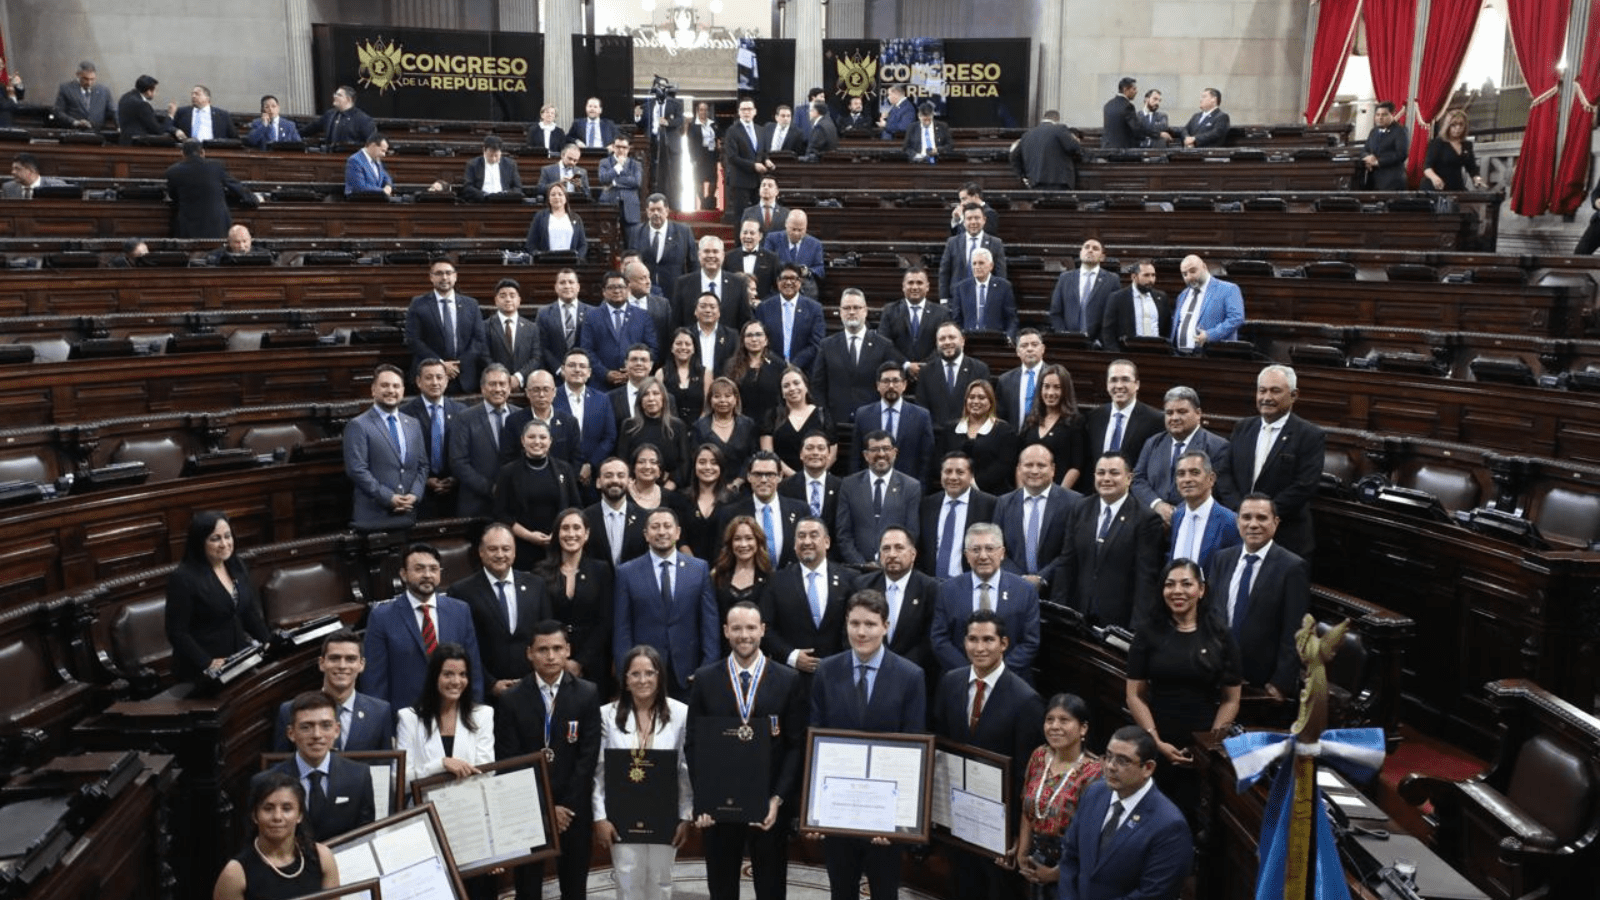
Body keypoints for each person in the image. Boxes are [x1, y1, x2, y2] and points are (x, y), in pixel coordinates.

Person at [808, 590, 926, 900]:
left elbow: (914, 750)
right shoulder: (826, 671)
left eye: (870, 624)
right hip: (838, 812)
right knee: (841, 892)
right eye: (855, 623)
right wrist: (814, 809)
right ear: (845, 625)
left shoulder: (910, 676)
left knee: (885, 893)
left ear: (886, 626)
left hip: (885, 819)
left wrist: (900, 821)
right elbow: (815, 737)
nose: (862, 632)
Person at [687, 602, 805, 900]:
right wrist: (704, 800)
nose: (744, 635)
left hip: (768, 806)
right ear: (726, 631)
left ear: (763, 630)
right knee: (722, 886)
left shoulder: (788, 679)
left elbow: (795, 745)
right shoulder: (705, 679)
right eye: (737, 628)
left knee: (771, 886)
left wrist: (778, 798)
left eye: (751, 628)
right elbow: (694, 744)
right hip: (720, 806)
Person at [932, 609, 1044, 900]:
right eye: (972, 639)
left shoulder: (1026, 699)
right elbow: (940, 748)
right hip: (955, 819)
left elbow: (1026, 774)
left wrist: (1019, 836)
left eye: (988, 640)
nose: (979, 648)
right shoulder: (949, 682)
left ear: (1004, 643)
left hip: (999, 829)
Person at [1125, 559, 1242, 827]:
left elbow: (1231, 699)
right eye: (1170, 584)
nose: (1177, 591)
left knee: (1188, 822)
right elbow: (1135, 694)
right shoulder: (1148, 632)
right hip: (1155, 736)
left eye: (1186, 584)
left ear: (1201, 590)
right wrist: (1155, 741)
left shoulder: (1221, 635)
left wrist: (1209, 746)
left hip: (1200, 743)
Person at [495, 621, 602, 900]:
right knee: (528, 889)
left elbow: (587, 758)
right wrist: (544, 809)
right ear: (529, 653)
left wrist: (564, 807)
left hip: (573, 811)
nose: (551, 656)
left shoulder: (587, 693)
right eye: (543, 649)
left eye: (557, 648)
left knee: (574, 888)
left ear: (568, 650)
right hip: (529, 810)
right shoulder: (510, 699)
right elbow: (510, 761)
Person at [593, 645, 694, 900]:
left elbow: (684, 770)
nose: (643, 680)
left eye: (650, 673)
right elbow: (598, 772)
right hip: (620, 814)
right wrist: (600, 817)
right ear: (625, 680)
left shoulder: (681, 714)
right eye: (635, 674)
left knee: (661, 880)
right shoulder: (606, 715)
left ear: (660, 677)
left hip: (665, 814)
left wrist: (685, 816)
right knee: (627, 880)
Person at [1054, 725, 1192, 900]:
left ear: (1148, 768)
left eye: (1123, 761)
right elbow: (1070, 856)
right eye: (1109, 756)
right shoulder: (1094, 793)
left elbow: (1153, 893)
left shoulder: (1170, 825)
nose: (1110, 766)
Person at [1205, 494, 1310, 699]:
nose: (1253, 524)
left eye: (1261, 518)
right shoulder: (1222, 559)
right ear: (1237, 522)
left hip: (1260, 683)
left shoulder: (1292, 567)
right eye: (1246, 517)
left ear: (1275, 522)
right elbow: (1209, 613)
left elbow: (1295, 631)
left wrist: (1281, 683)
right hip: (1214, 672)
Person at [1218, 365, 1325, 559]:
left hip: (1286, 539)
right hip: (1239, 531)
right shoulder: (1243, 427)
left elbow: (1304, 485)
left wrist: (1261, 518)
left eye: (1275, 391)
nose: (1266, 397)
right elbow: (1225, 473)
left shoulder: (1310, 435)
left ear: (1294, 395)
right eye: (1262, 390)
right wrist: (1241, 513)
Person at [362, 543, 486, 710]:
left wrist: (474, 710)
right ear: (403, 574)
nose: (427, 575)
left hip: (454, 713)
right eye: (419, 569)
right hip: (406, 716)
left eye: (433, 569)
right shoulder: (382, 616)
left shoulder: (460, 610)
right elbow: (374, 679)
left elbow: (473, 668)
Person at [614, 508, 719, 699]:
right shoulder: (627, 572)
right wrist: (626, 672)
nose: (662, 532)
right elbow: (622, 628)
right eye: (655, 527)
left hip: (688, 674)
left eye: (667, 526)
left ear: (678, 532)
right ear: (646, 535)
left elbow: (709, 624)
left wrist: (707, 669)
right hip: (644, 675)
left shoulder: (699, 569)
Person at [1056, 451, 1164, 630]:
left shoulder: (1146, 519)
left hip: (1118, 621)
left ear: (1129, 478)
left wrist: (1136, 628)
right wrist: (1058, 610)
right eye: (1101, 473)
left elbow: (1146, 580)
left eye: (1114, 473)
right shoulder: (1080, 508)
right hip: (1077, 615)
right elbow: (1066, 563)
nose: (1106, 478)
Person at [254, 691, 377, 842]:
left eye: (326, 726)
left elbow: (366, 839)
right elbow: (255, 843)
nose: (317, 735)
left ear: (336, 730)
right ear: (291, 733)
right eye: (306, 727)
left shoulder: (359, 776)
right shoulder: (264, 782)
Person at [165, 510, 271, 684]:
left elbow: (248, 613)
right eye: (215, 539)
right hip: (201, 669)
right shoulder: (183, 578)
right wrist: (208, 662)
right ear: (200, 542)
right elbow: (177, 632)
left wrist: (267, 641)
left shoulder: (236, 566)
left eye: (228, 536)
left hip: (238, 659)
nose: (224, 544)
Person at [449, 522, 552, 700]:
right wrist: (490, 684)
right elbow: (461, 646)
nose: (500, 555)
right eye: (493, 549)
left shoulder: (536, 585)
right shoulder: (461, 592)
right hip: (487, 693)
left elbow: (546, 635)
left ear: (514, 552)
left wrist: (538, 677)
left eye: (506, 549)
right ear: (481, 552)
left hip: (534, 687)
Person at [1015, 694, 1103, 899]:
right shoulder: (1039, 756)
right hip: (1035, 860)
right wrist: (1022, 852)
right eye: (1049, 719)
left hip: (1072, 865)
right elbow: (1027, 808)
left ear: (1083, 728)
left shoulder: (1094, 772)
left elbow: (1091, 835)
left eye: (1064, 720)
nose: (1055, 726)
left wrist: (1058, 873)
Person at [931, 522, 1041, 676]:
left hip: (1011, 681)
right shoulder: (947, 590)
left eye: (989, 549)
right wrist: (971, 673)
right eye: (976, 550)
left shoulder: (1025, 590)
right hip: (961, 679)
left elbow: (1030, 642)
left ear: (1002, 553)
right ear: (966, 556)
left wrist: (998, 674)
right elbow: (940, 639)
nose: (983, 556)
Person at [214, 771, 340, 900]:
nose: (277, 817)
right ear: (255, 815)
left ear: (300, 815)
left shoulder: (322, 857)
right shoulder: (235, 874)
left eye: (287, 808)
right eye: (268, 808)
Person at [272, 630, 394, 753]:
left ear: (361, 665)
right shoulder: (289, 710)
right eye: (334, 658)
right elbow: (280, 765)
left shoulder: (380, 712)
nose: (342, 666)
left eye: (350, 659)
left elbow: (384, 765)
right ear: (322, 663)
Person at [760, 516, 853, 676]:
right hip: (791, 677)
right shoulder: (776, 581)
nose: (807, 541)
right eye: (801, 536)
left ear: (827, 542)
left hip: (839, 674)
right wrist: (790, 656)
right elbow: (764, 628)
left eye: (814, 535)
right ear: (795, 544)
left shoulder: (849, 579)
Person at [1130, 385, 1232, 525]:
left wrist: (1176, 514)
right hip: (1152, 519)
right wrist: (1157, 505)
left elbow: (1216, 489)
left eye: (1182, 412)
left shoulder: (1218, 446)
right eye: (1169, 413)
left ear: (1198, 413)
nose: (1175, 418)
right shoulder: (1153, 443)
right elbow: (1137, 479)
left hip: (1196, 522)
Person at [396, 642, 496, 783]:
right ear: (434, 677)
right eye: (448, 674)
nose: (456, 681)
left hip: (471, 801)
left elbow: (486, 773)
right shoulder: (409, 718)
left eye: (462, 674)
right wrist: (441, 764)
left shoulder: (483, 715)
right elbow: (400, 782)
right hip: (426, 803)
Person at [343, 364, 427, 531]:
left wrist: (415, 495)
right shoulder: (358, 425)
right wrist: (388, 497)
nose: (391, 390)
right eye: (385, 385)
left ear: (402, 391)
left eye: (396, 386)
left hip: (409, 514)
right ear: (373, 390)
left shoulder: (413, 424)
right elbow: (356, 470)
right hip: (374, 515)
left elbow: (423, 465)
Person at [536, 510, 614, 688]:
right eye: (565, 528)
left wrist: (580, 662)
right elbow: (541, 620)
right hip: (552, 660)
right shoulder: (540, 572)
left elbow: (605, 621)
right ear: (557, 534)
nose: (571, 534)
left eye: (576, 528)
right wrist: (561, 659)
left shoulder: (601, 570)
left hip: (593, 662)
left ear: (586, 534)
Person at [993, 444, 1081, 593]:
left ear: (1052, 469)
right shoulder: (1003, 503)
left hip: (1058, 590)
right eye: (1028, 465)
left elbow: (1072, 549)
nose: (1034, 470)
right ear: (1019, 468)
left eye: (1041, 465)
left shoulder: (1074, 502)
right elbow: (996, 547)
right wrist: (1020, 579)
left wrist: (1042, 578)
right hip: (1013, 588)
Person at [495, 420, 582, 568]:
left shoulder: (564, 469)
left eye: (542, 437)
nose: (537, 442)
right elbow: (501, 514)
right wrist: (529, 536)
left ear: (550, 441)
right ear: (523, 440)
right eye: (531, 437)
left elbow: (575, 508)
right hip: (522, 547)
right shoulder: (507, 472)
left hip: (560, 545)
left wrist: (559, 534)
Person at [810, 289, 905, 425]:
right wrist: (824, 416)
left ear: (865, 311)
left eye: (856, 307)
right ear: (840, 312)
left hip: (873, 422)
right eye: (847, 308)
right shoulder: (827, 345)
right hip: (835, 422)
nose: (852, 312)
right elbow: (818, 385)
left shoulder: (883, 345)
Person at [836, 430, 922, 567]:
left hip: (895, 567)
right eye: (874, 449)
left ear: (895, 452)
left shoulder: (911, 487)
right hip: (857, 570)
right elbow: (843, 534)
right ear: (866, 455)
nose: (881, 454)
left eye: (886, 449)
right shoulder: (849, 485)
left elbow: (911, 533)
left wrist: (888, 561)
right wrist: (861, 564)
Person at [406, 258, 486, 394]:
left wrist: (457, 365)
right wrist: (441, 364)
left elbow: (478, 340)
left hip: (464, 376)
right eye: (439, 273)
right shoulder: (418, 304)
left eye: (448, 273)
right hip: (431, 377)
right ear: (431, 277)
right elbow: (413, 339)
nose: (444, 277)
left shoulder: (471, 305)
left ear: (455, 276)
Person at [399, 358, 466, 520]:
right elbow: (401, 456)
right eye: (428, 378)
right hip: (418, 492)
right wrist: (425, 480)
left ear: (447, 380)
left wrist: (456, 478)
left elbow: (467, 451)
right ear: (418, 382)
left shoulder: (462, 411)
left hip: (456, 492)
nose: (435, 382)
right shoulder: (404, 414)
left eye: (439, 377)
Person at [716, 452, 807, 569]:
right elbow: (724, 556)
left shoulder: (800, 510)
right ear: (749, 476)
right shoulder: (731, 513)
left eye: (770, 474)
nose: (763, 480)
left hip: (790, 583)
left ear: (780, 476)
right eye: (758, 474)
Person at [851, 361, 936, 482]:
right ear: (877, 385)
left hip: (909, 488)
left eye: (896, 381)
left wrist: (920, 490)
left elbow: (927, 459)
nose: (891, 386)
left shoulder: (921, 416)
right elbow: (856, 457)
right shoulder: (863, 415)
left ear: (904, 385)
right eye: (885, 381)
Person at [918, 452, 998, 580]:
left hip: (970, 582)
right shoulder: (927, 505)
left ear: (971, 475)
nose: (953, 477)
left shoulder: (989, 505)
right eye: (948, 472)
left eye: (960, 472)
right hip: (930, 583)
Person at [940, 380, 1019, 496]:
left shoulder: (1005, 431)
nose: (975, 401)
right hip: (954, 492)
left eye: (981, 398)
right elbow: (940, 460)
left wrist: (973, 483)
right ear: (966, 400)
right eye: (971, 397)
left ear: (991, 402)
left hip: (992, 495)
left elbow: (1004, 465)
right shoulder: (950, 429)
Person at [166, 140, 258, 239]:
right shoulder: (216, 166)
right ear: (202, 152)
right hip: (217, 225)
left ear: (182, 154)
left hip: (189, 227)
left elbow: (173, 196)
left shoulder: (172, 171)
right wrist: (252, 198)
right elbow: (235, 186)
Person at [1083, 359, 1164, 472]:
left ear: (1137, 384)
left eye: (1125, 380)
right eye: (1114, 380)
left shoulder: (1155, 420)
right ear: (1107, 385)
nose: (1119, 386)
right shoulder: (1094, 417)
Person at [557, 349, 620, 488]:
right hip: (559, 474)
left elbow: (609, 437)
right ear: (563, 370)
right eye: (572, 365)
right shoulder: (552, 397)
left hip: (593, 475)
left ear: (589, 372)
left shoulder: (602, 399)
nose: (577, 370)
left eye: (582, 366)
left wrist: (590, 464)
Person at [582, 272, 657, 388]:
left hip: (635, 383)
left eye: (620, 287)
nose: (616, 291)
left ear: (628, 290)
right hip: (601, 384)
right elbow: (586, 350)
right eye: (611, 287)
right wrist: (605, 373)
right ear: (603, 292)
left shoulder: (642, 316)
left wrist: (634, 371)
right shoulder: (592, 316)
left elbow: (652, 348)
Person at [1168, 451, 1241, 568]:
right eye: (1181, 474)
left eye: (1195, 473)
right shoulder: (1177, 516)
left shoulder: (1230, 521)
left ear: (1211, 479)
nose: (1187, 479)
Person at [916, 322, 993, 431]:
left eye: (952, 337)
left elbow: (985, 407)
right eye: (942, 339)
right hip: (936, 437)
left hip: (969, 436)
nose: (947, 342)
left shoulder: (979, 369)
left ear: (962, 341)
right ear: (937, 343)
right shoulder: (926, 371)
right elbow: (922, 408)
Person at [761, 366, 832, 477]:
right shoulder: (772, 415)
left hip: (817, 479)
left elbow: (832, 452)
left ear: (806, 386)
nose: (792, 388)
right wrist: (795, 477)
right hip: (783, 481)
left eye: (796, 383)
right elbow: (769, 453)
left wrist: (812, 475)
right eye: (786, 386)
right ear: (782, 392)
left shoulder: (821, 414)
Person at [618, 383, 692, 489]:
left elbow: (685, 463)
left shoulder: (678, 426)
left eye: (656, 393)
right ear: (640, 400)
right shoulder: (629, 425)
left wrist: (670, 486)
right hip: (635, 488)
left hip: (670, 489)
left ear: (664, 398)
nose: (651, 398)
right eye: (646, 394)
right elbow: (622, 460)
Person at [672, 236, 750, 334]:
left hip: (729, 346)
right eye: (706, 251)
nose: (711, 255)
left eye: (715, 251)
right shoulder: (682, 283)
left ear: (723, 255)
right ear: (699, 255)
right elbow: (676, 322)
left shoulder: (738, 283)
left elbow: (745, 320)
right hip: (694, 345)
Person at [1048, 238, 1118, 341]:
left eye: (1095, 248)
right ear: (1080, 253)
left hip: (1098, 343)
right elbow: (1055, 312)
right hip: (1068, 340)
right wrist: (1063, 334)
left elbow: (1113, 315)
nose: (1090, 250)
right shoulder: (1065, 278)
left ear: (1102, 257)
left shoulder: (1112, 280)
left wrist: (1100, 340)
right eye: (1086, 247)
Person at [1171, 254, 1245, 350]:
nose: (1189, 277)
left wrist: (1210, 335)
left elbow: (1236, 318)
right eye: (1185, 274)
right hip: (1180, 356)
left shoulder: (1228, 289)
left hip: (1213, 355)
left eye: (1193, 271)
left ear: (1204, 267)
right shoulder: (1182, 295)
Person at [693, 377, 759, 483]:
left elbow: (752, 457)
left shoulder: (748, 424)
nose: (722, 400)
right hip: (708, 484)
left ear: (736, 399)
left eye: (728, 396)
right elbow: (696, 460)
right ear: (710, 399)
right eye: (717, 396)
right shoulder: (699, 426)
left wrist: (740, 480)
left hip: (743, 486)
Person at [1100, 259, 1172, 352]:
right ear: (1134, 277)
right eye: (1146, 275)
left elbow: (1166, 328)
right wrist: (1116, 354)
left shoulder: (1161, 297)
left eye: (1153, 275)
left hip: (1156, 353)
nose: (1151, 280)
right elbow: (1108, 331)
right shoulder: (1118, 298)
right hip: (1128, 352)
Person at [939, 204, 1007, 300]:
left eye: (977, 218)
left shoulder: (995, 243)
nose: (973, 222)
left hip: (986, 298)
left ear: (984, 220)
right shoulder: (952, 242)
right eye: (969, 218)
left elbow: (1001, 275)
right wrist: (944, 299)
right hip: (957, 299)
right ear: (964, 221)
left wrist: (998, 298)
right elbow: (944, 273)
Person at [726, 320, 785, 429]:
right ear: (743, 340)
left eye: (758, 334)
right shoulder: (731, 366)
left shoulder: (779, 365)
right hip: (739, 425)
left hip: (772, 426)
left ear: (766, 339)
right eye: (749, 335)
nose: (754, 339)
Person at [949, 248, 1019, 340]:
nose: (977, 267)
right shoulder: (961, 287)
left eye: (981, 263)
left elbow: (1011, 318)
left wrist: (1009, 337)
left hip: (995, 339)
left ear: (991, 266)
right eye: (974, 263)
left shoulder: (1004, 286)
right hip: (969, 339)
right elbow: (956, 318)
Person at [631, 193, 697, 290]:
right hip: (646, 290)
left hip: (675, 289)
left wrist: (692, 288)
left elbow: (694, 262)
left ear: (667, 211)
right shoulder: (637, 232)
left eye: (659, 209)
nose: (656, 213)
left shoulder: (683, 231)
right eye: (652, 210)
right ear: (647, 212)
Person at [685, 445, 737, 561]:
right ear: (694, 466)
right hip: (690, 567)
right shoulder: (683, 498)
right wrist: (695, 567)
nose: (708, 467)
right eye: (702, 462)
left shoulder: (733, 499)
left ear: (721, 467)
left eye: (714, 463)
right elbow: (679, 538)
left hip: (724, 567)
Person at [722, 98, 770, 222]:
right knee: (741, 217)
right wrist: (753, 166)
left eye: (749, 109)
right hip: (740, 181)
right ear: (739, 112)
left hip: (758, 181)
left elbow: (762, 151)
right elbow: (732, 157)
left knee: (759, 217)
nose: (746, 112)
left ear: (755, 111)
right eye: (743, 109)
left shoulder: (760, 130)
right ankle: (739, 242)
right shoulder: (732, 131)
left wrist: (767, 160)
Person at [781, 431, 841, 528]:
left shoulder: (841, 487)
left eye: (821, 448)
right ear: (801, 454)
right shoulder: (785, 486)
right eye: (809, 448)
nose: (815, 453)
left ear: (829, 454)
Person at [538, 270, 593, 374]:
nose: (567, 286)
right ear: (556, 287)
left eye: (571, 282)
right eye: (562, 282)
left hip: (584, 374)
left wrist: (582, 369)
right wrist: (559, 369)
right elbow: (542, 347)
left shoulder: (592, 312)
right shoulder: (544, 314)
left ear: (578, 287)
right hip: (555, 375)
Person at [761, 214, 827, 299]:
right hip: (777, 290)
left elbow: (820, 269)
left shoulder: (815, 244)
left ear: (806, 228)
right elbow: (766, 262)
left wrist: (808, 271)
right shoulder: (772, 239)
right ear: (786, 224)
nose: (796, 233)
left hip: (805, 292)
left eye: (800, 230)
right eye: (793, 229)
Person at [1423, 108, 1486, 191]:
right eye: (1454, 125)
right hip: (1436, 187)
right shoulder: (1437, 143)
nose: (1458, 128)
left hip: (1456, 187)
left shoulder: (1467, 145)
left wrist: (1477, 179)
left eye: (1461, 125)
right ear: (1447, 126)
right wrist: (1435, 178)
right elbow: (1427, 167)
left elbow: (1472, 168)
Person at [525, 181, 589, 259]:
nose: (556, 197)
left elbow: (583, 244)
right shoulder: (540, 217)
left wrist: (578, 258)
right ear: (548, 199)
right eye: (553, 194)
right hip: (546, 263)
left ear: (565, 198)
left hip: (570, 264)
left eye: (560, 194)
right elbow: (531, 244)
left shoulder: (576, 218)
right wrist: (539, 256)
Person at [658, 327, 709, 423]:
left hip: (699, 429)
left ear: (694, 348)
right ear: (672, 348)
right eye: (678, 343)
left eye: (688, 344)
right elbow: (658, 406)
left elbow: (707, 407)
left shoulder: (706, 373)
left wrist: (698, 428)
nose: (683, 347)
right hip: (670, 428)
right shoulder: (661, 373)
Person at [1101, 77, 1165, 150]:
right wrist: (1158, 134)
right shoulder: (1127, 106)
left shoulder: (1108, 105)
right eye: (1134, 89)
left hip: (1106, 149)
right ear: (1125, 89)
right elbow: (1137, 129)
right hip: (1123, 151)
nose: (1136, 91)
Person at [728, 218, 781, 304]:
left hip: (762, 309)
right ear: (740, 234)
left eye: (752, 233)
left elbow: (777, 288)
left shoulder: (772, 258)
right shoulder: (729, 257)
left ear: (760, 236)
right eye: (745, 232)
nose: (748, 236)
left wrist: (763, 303)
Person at [302, 86, 375, 147]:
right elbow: (311, 128)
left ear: (349, 99)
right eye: (335, 94)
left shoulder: (363, 119)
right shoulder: (329, 115)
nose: (334, 96)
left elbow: (372, 143)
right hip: (329, 158)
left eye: (339, 95)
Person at [53, 61, 116, 130]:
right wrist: (75, 122)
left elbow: (113, 111)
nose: (89, 83)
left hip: (97, 133)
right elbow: (58, 112)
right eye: (85, 79)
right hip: (73, 132)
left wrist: (120, 126)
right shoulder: (66, 89)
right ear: (78, 75)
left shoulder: (104, 91)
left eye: (92, 79)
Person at [117, 75, 180, 144]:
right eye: (155, 90)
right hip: (138, 146)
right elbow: (158, 130)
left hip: (124, 142)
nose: (155, 93)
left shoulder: (124, 97)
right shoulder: (142, 105)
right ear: (148, 91)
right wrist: (171, 115)